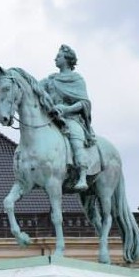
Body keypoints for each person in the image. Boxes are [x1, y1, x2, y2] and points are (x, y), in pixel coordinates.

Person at [40, 44, 95, 191]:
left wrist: (66, 109)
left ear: (67, 59)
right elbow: (35, 88)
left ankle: (82, 174)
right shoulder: (50, 79)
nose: (55, 59)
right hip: (51, 119)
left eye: (58, 56)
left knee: (75, 136)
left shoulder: (76, 79)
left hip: (71, 119)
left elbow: (84, 102)